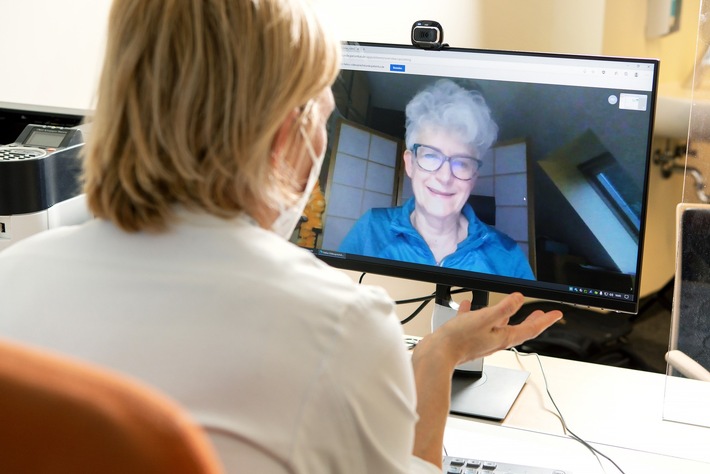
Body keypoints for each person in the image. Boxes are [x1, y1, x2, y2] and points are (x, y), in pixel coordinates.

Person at [0, 1, 561, 473]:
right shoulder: (342, 328)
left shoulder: (13, 278)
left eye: (462, 163)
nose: (445, 175)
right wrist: (440, 355)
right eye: (322, 118)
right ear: (285, 140)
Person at [339, 79, 535, 279]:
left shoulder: (508, 257)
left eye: (461, 162)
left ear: (474, 176)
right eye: (431, 156)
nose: (445, 177)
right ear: (410, 163)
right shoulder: (371, 229)